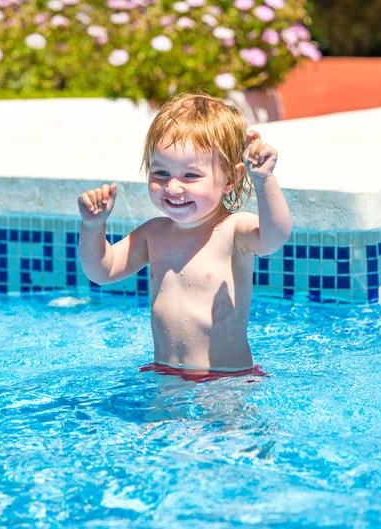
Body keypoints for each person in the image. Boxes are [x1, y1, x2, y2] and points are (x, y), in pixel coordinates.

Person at [77, 93, 292, 376]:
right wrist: (93, 226)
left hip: (225, 377)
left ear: (230, 178)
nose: (173, 188)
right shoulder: (154, 233)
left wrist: (264, 179)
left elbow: (275, 236)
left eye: (190, 176)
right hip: (165, 372)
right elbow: (102, 272)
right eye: (161, 173)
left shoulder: (233, 230)